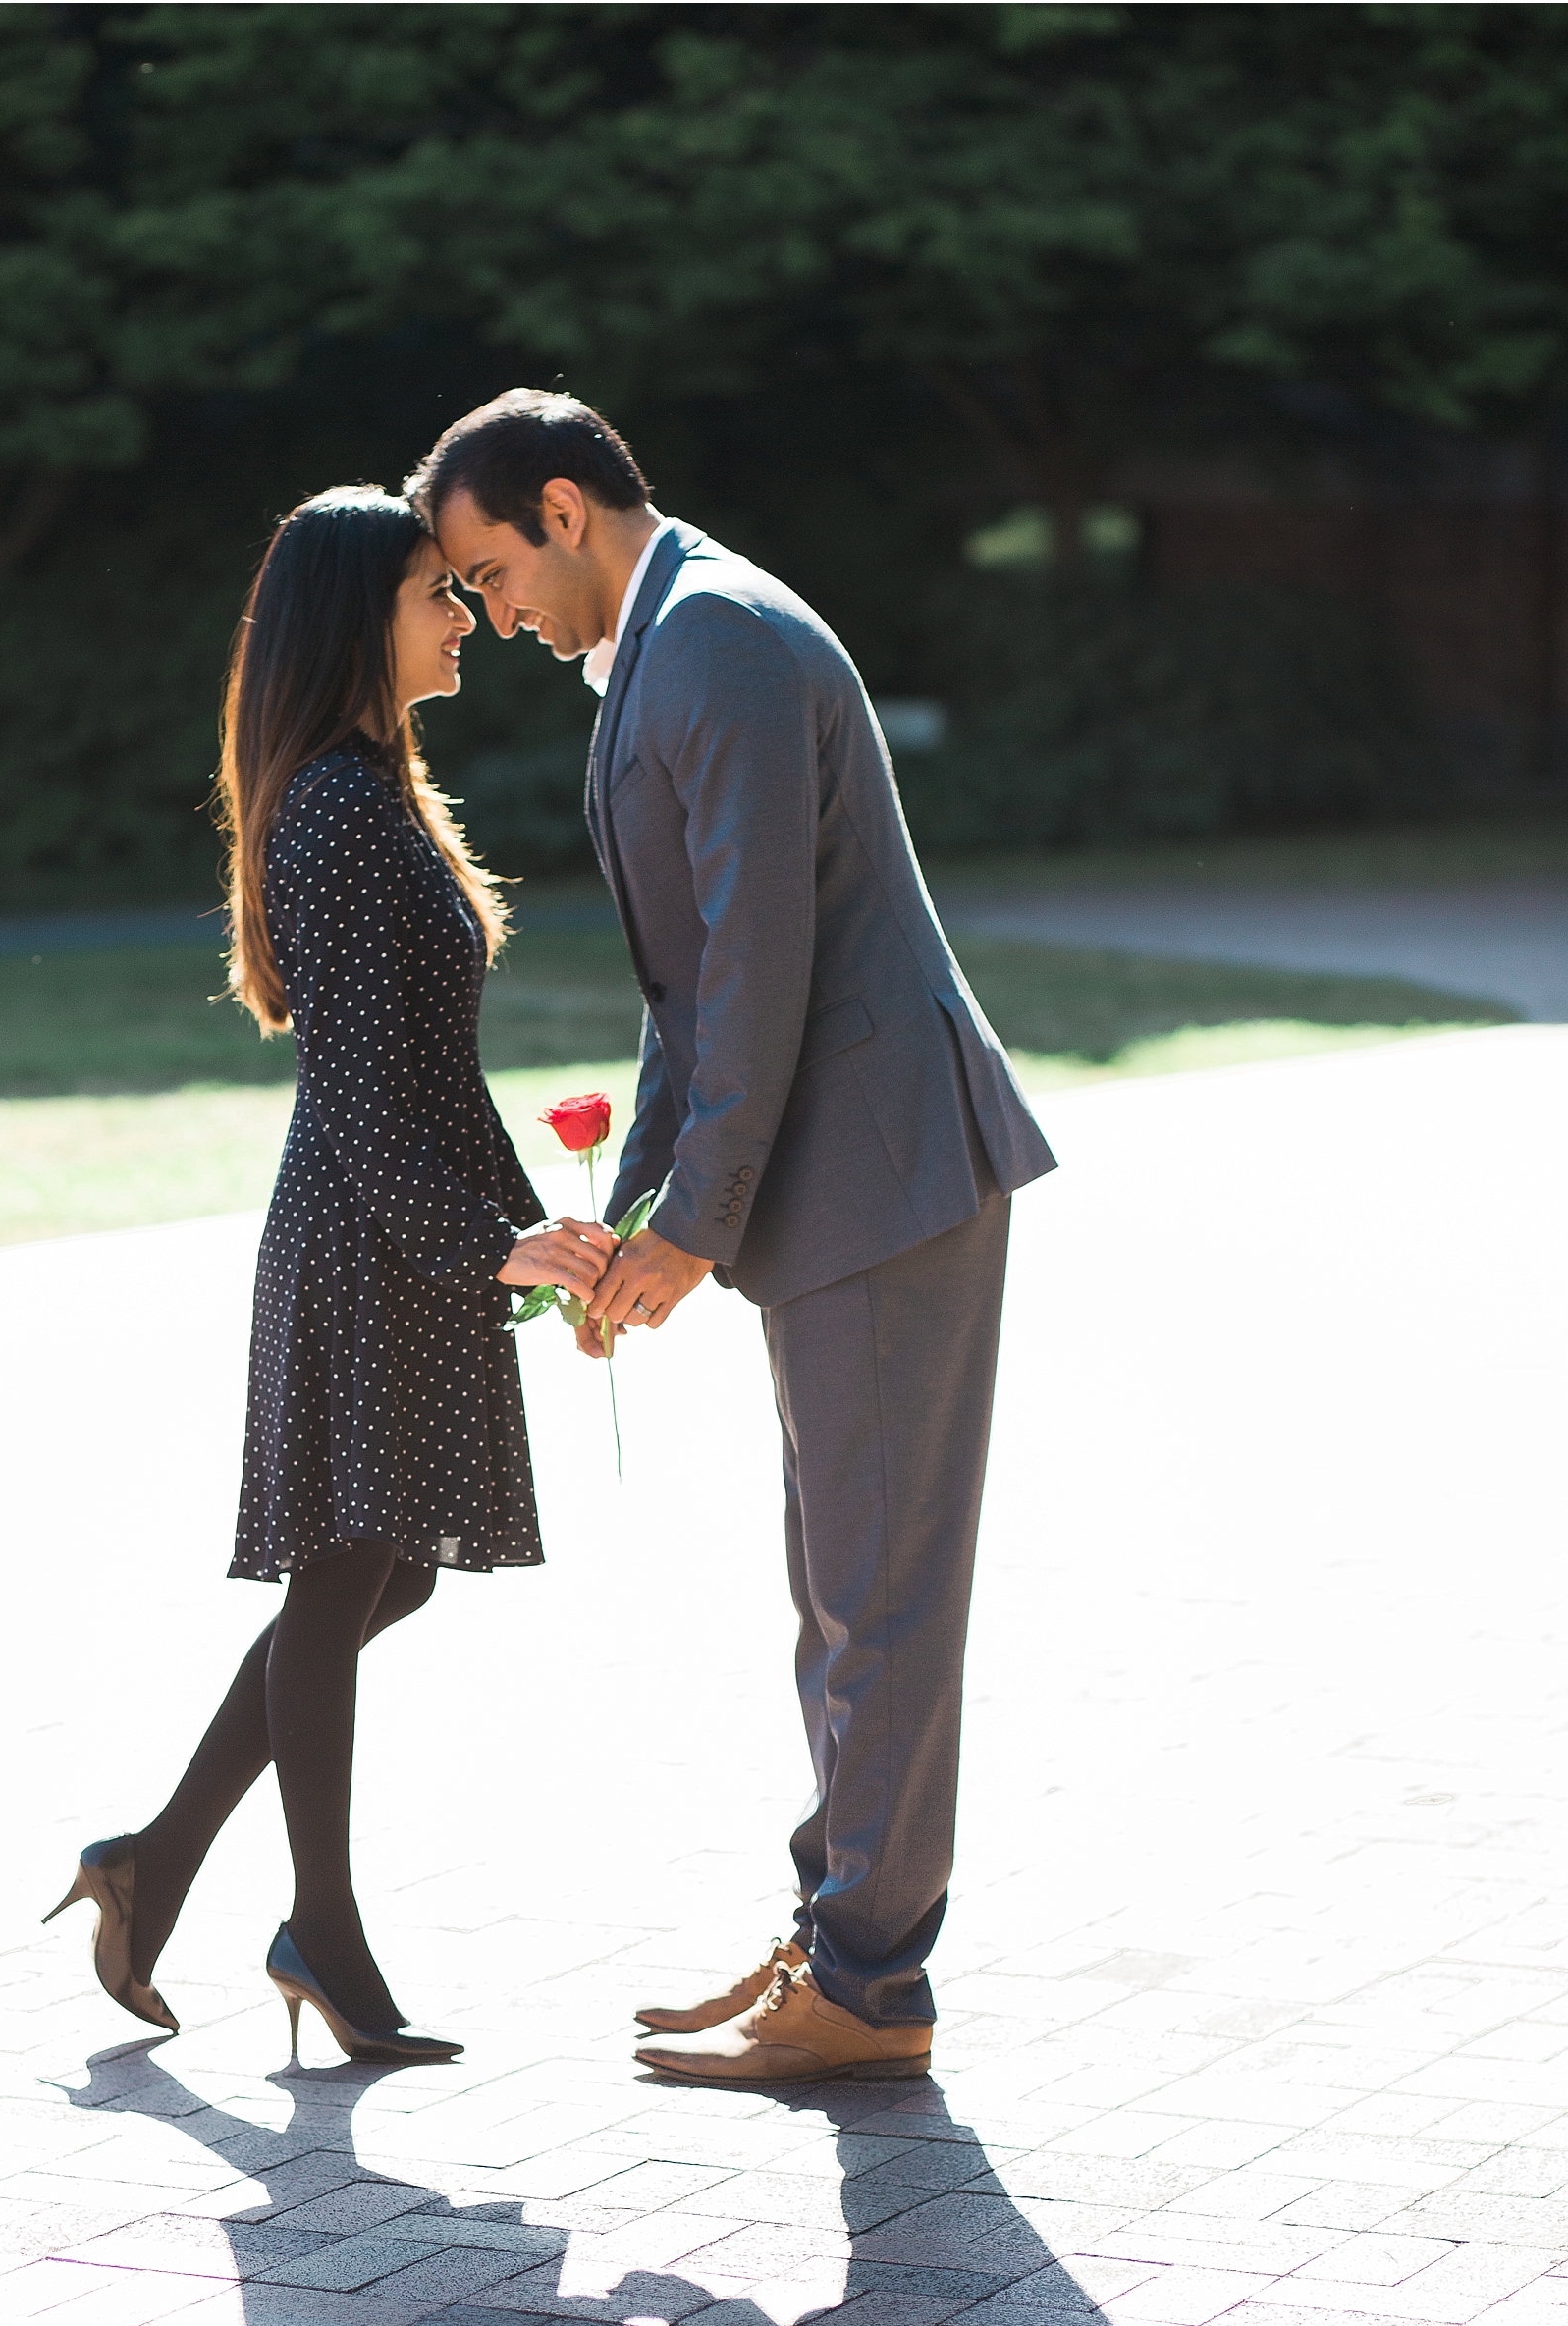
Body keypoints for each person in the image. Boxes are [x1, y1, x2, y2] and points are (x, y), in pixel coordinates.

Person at [417, 393, 1057, 2090]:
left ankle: (869, 1984)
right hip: (846, 1181)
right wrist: (639, 1214)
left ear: (563, 508)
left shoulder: (714, 643)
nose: (489, 614)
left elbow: (759, 968)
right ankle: (840, 1938)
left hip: (884, 1178)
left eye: (486, 573)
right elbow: (690, 984)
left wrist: (691, 1232)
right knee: (838, 1589)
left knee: (880, 1596)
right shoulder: (675, 639)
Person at [46, 487, 614, 2063]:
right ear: (359, 615)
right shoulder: (344, 809)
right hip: (371, 1238)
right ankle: (322, 1933)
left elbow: (427, 1069)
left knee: (385, 1569)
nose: (468, 618)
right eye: (441, 592)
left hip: (397, 1222)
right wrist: (483, 1243)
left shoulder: (373, 789)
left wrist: (530, 1236)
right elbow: (367, 1092)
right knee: (353, 1568)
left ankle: (152, 1865)